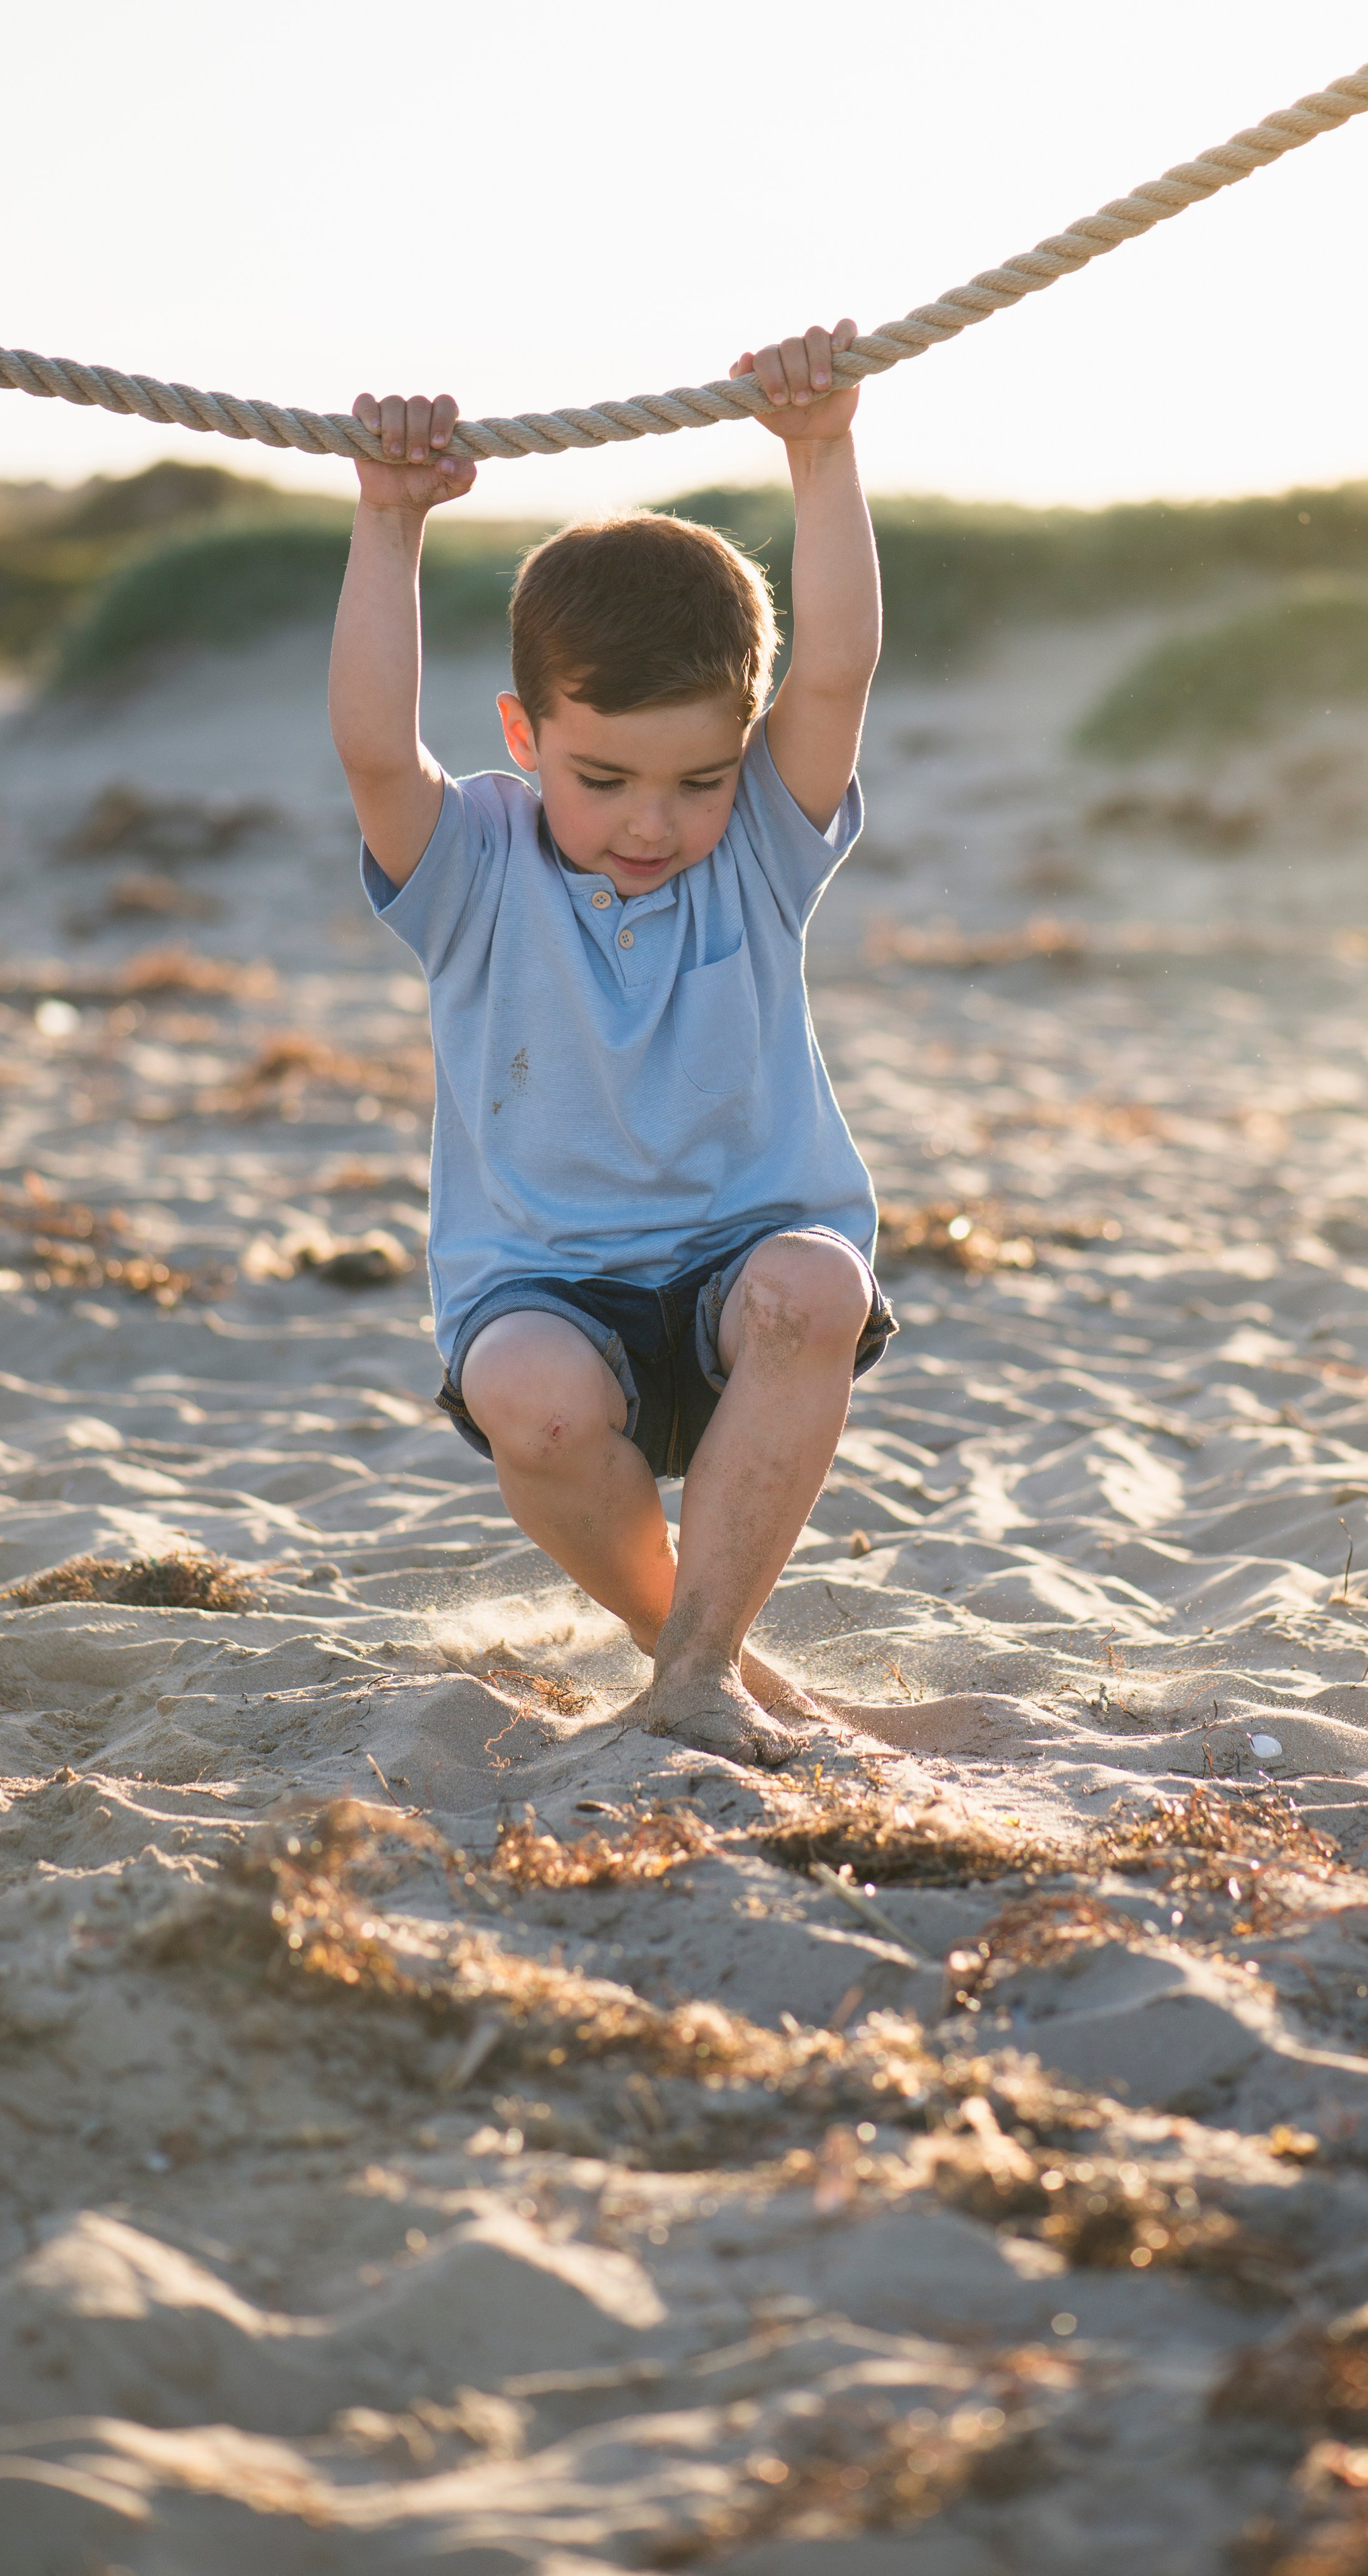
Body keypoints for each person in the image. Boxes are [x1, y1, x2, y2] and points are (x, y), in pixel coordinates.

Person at [328, 321, 890, 1768]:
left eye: (697, 778)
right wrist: (389, 524)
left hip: (735, 1277)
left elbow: (831, 678)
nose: (653, 822)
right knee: (528, 1394)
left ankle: (697, 1666)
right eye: (605, 779)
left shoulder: (756, 851)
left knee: (813, 1283)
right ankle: (705, 1659)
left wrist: (817, 453)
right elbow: (377, 748)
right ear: (523, 734)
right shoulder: (474, 867)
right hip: (546, 1292)